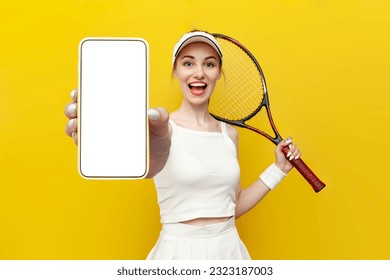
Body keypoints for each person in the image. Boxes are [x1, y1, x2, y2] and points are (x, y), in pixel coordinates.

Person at [64, 31, 301, 260]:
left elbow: (233, 206)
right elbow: (134, 160)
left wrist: (278, 170)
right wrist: (100, 140)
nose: (199, 73)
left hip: (229, 252)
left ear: (218, 73)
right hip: (177, 253)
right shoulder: (158, 129)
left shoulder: (229, 134)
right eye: (188, 64)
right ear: (175, 71)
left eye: (209, 64)